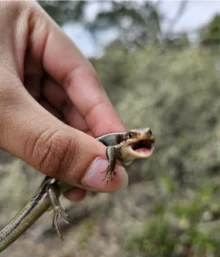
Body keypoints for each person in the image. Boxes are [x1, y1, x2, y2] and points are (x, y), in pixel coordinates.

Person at [0, 1, 128, 202]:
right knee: (52, 188)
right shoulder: (117, 145)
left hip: (56, 187)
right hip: (50, 187)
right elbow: (111, 151)